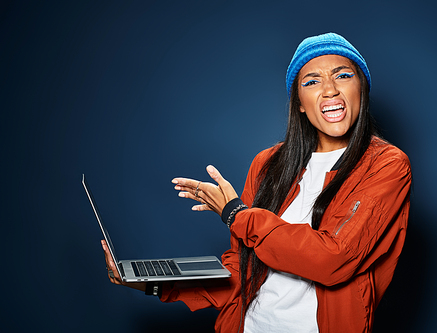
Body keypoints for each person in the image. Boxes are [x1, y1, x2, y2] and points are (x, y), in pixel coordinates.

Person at [102, 32, 412, 333]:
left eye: (343, 75)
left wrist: (236, 214)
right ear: (300, 103)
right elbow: (241, 269)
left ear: (361, 89)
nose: (329, 89)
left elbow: (332, 259)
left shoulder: (385, 165)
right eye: (312, 81)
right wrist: (150, 282)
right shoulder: (268, 164)